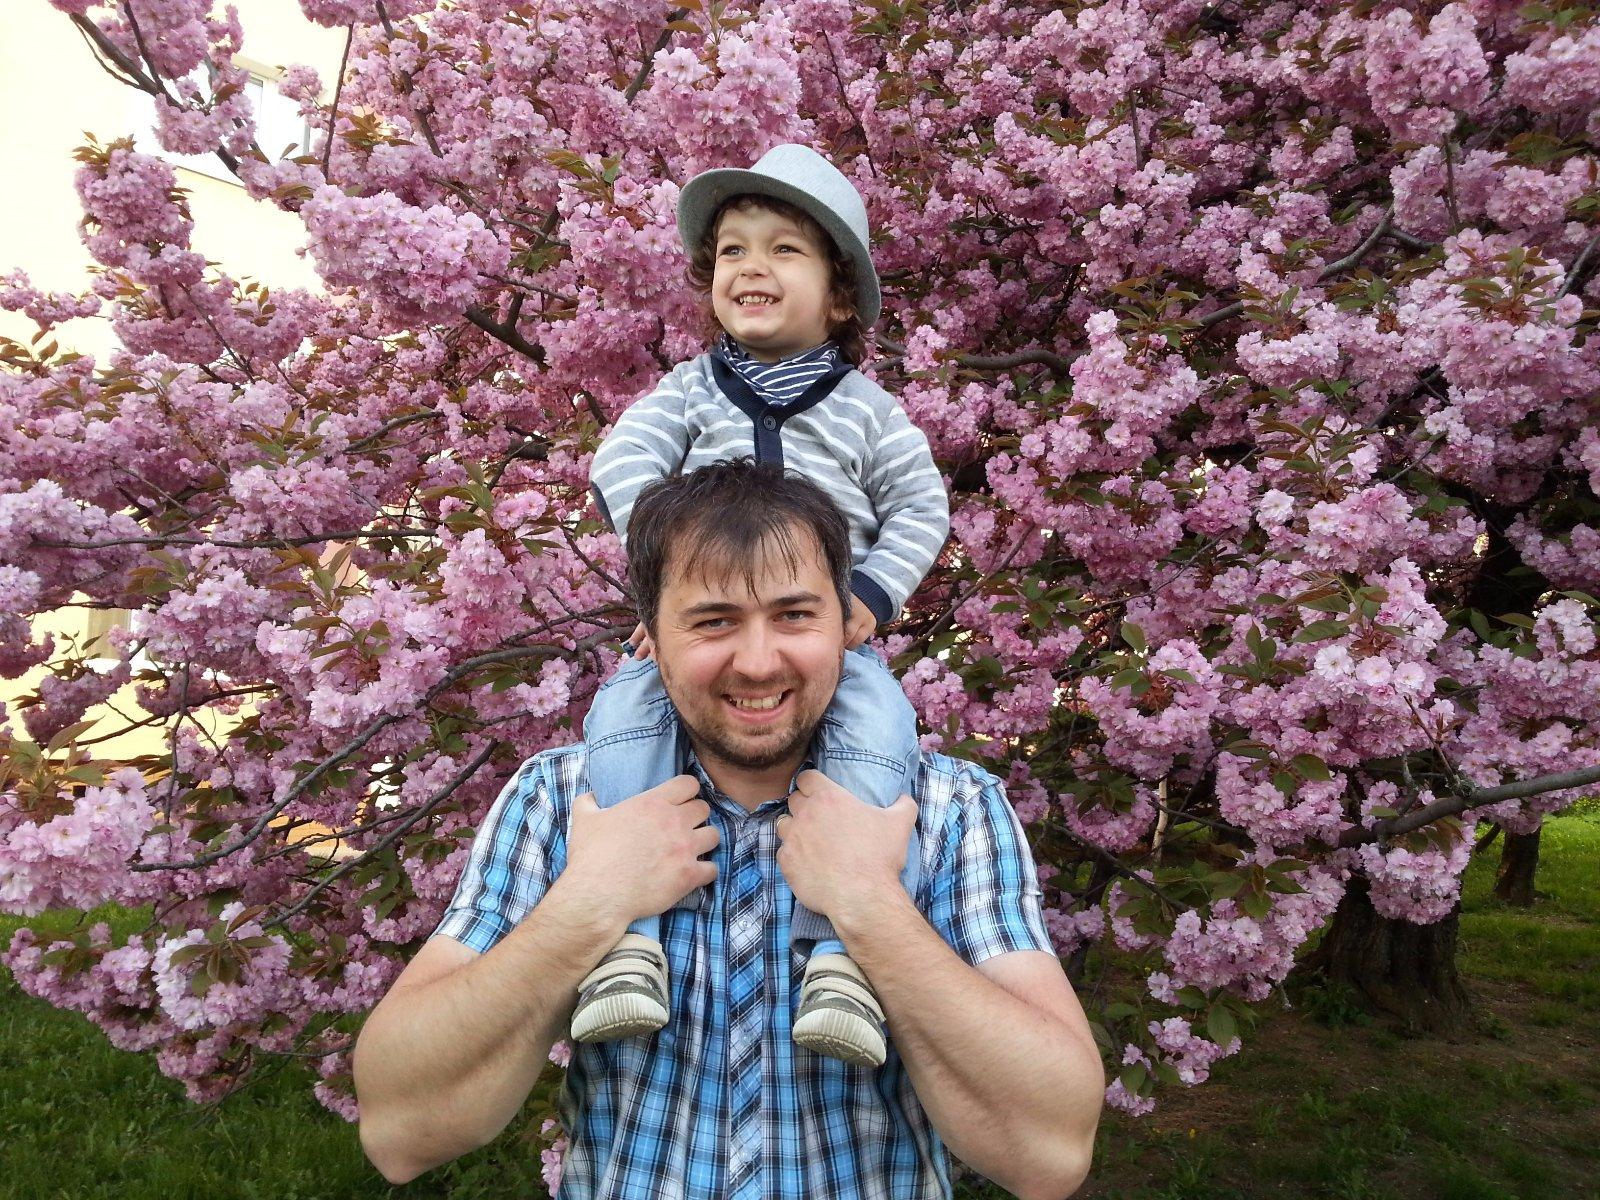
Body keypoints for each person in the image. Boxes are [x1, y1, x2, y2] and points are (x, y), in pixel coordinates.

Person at [352, 461, 1103, 1198]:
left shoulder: (950, 809)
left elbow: (1050, 1156)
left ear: (845, 624)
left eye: (795, 615)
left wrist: (871, 905)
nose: (758, 662)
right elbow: (400, 1133)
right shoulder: (560, 801)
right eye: (714, 621)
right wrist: (589, 903)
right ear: (650, 636)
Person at [580, 143, 949, 1067]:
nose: (753, 266)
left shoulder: (867, 411)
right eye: (733, 251)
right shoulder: (688, 392)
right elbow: (621, 464)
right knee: (622, 718)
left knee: (879, 735)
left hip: (825, 641)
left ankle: (843, 953)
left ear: (839, 295)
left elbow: (921, 506)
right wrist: (674, 578)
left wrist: (867, 594)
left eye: (785, 249)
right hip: (697, 636)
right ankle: (627, 938)